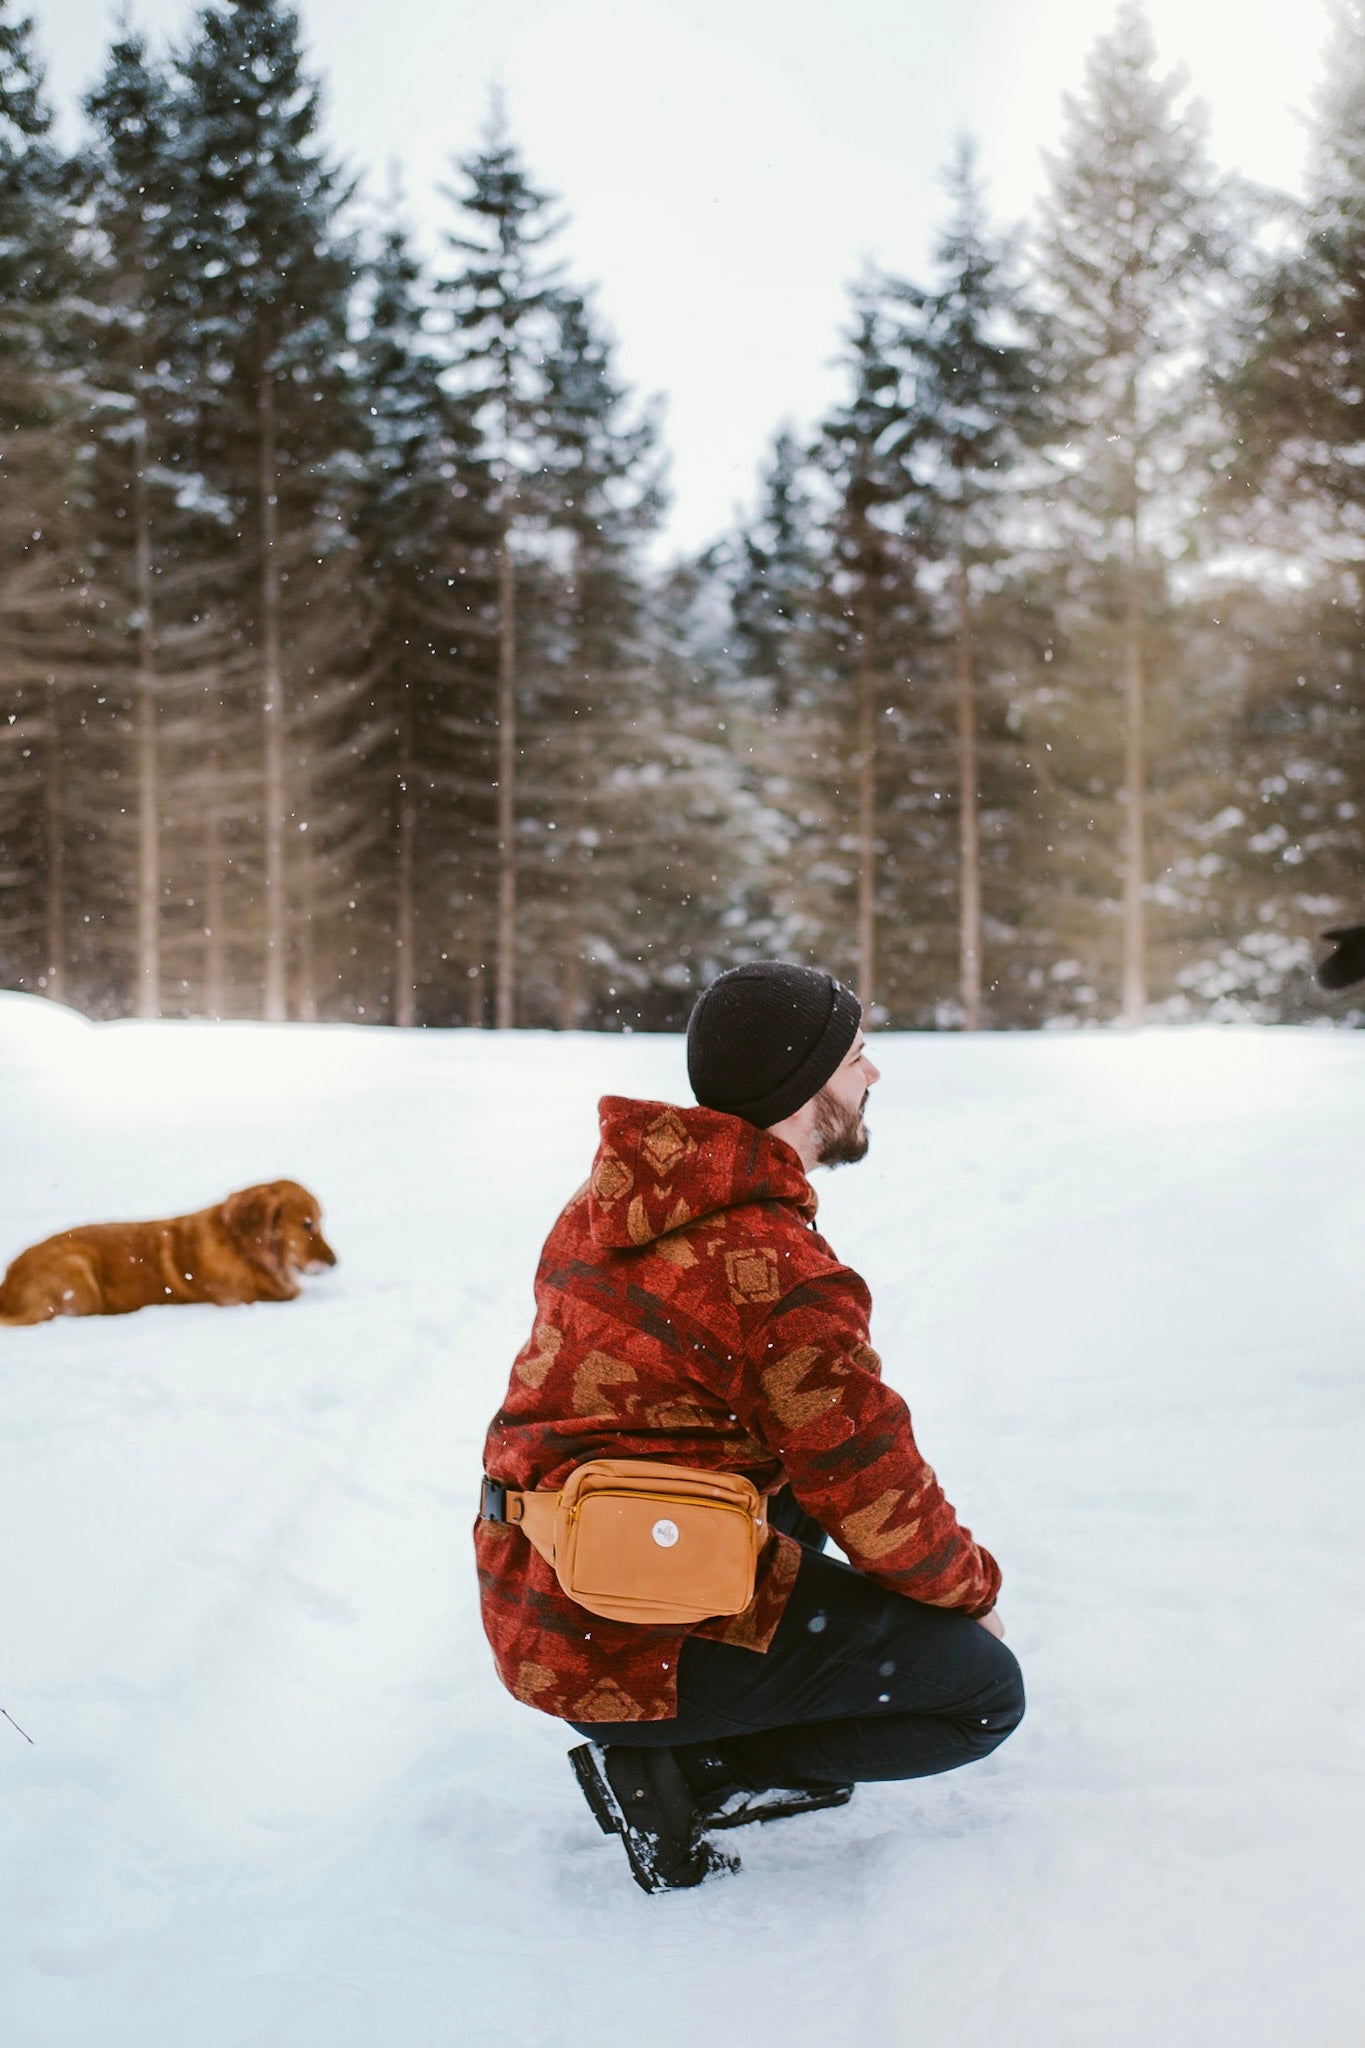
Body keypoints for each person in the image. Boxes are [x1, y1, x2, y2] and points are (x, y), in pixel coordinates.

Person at [475, 961, 1024, 1893]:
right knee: (977, 1694)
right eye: (857, 1058)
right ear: (806, 1088)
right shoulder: (775, 1269)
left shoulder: (623, 1194)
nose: (873, 1077)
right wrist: (971, 1597)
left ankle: (681, 1731)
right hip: (616, 1633)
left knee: (787, 1477)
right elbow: (871, 1485)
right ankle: (688, 1769)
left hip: (536, 1588)